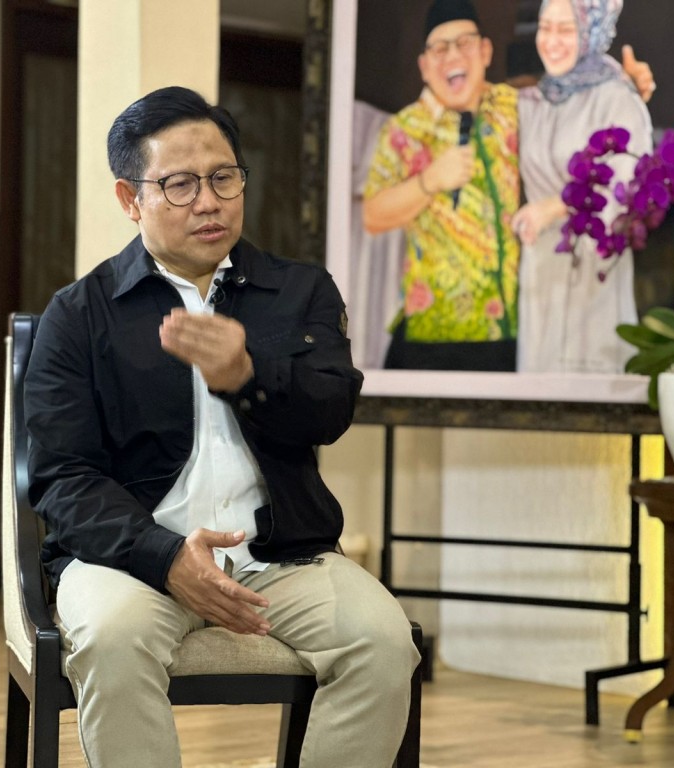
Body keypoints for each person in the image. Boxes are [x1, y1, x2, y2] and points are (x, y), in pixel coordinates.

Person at [24, 86, 420, 768]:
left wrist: (248, 374)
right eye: (179, 184)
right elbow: (64, 479)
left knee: (384, 644)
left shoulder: (300, 291)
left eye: (223, 177)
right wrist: (165, 557)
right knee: (113, 641)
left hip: (280, 557)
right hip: (130, 560)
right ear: (130, 199)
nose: (208, 201)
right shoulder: (80, 314)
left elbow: (330, 413)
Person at [361, 0, 654, 372]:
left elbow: (568, 97)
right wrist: (428, 181)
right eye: (439, 48)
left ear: (485, 52)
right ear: (424, 65)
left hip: (509, 328)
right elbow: (372, 215)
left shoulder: (512, 107)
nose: (453, 56)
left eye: (464, 43)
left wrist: (625, 84)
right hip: (431, 329)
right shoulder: (403, 130)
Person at [511, 0, 652, 373]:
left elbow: (627, 189)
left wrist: (557, 207)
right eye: (545, 27)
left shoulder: (618, 99)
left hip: (594, 272)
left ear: (591, 31)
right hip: (541, 271)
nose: (551, 41)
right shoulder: (534, 101)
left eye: (566, 29)